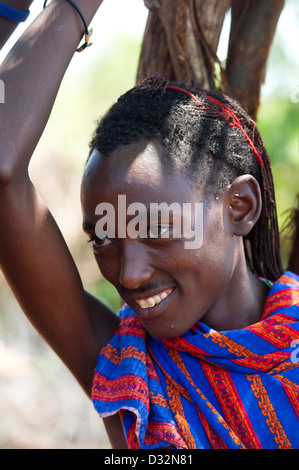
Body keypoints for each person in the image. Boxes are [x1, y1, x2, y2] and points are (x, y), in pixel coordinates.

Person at [0, 0, 298, 450]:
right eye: (104, 238)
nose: (129, 274)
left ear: (239, 207)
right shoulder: (126, 363)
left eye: (157, 228)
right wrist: (73, 7)